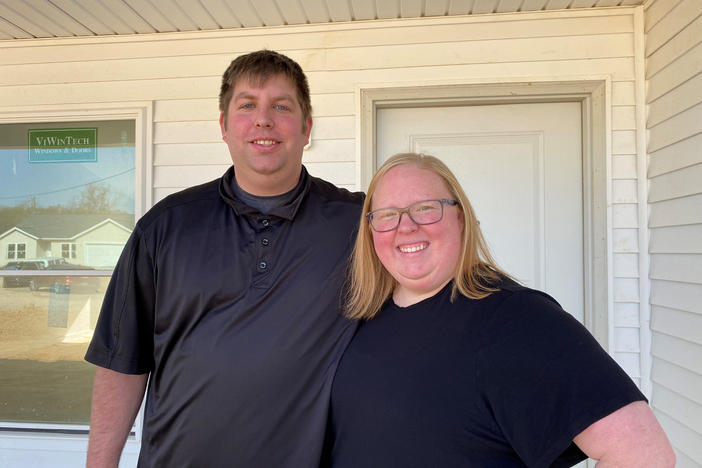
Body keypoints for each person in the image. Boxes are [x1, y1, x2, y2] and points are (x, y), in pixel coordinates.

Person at [84, 50, 363, 467]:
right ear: (224, 126)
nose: (263, 120)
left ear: (306, 128)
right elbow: (122, 362)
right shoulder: (165, 227)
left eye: (281, 106)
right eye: (247, 105)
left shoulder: (358, 226)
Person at [324, 153, 675, 467]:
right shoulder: (363, 316)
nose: (406, 226)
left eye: (426, 208)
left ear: (460, 218)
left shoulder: (516, 319)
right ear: (370, 231)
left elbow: (644, 454)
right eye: (386, 215)